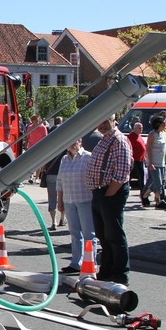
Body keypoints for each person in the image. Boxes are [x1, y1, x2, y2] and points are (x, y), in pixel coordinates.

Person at [85, 114, 133, 284]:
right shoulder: (104, 139)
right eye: (100, 121)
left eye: (106, 121)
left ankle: (120, 274)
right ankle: (107, 271)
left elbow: (121, 173)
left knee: (114, 235)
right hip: (100, 193)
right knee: (103, 236)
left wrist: (108, 195)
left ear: (114, 121)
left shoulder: (118, 141)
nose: (103, 125)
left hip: (110, 193)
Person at [56, 138, 94, 274]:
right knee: (74, 233)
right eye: (70, 141)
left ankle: (90, 262)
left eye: (75, 141)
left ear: (80, 142)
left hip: (85, 199)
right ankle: (76, 262)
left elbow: (94, 179)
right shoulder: (64, 159)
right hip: (69, 200)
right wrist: (59, 201)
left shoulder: (88, 157)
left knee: (89, 233)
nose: (72, 144)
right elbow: (59, 181)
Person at [141, 116, 166, 209]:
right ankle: (158, 201)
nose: (164, 125)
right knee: (157, 182)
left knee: (161, 182)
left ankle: (145, 194)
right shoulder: (152, 134)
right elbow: (148, 149)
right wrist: (150, 162)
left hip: (162, 161)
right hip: (154, 162)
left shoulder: (163, 134)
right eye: (163, 123)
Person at [126, 121, 147, 205]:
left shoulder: (139, 136)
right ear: (134, 128)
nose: (141, 129)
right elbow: (129, 148)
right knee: (138, 179)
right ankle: (143, 196)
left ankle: (142, 195)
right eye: (139, 128)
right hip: (135, 161)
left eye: (142, 128)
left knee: (142, 179)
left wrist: (144, 156)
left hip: (140, 160)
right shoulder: (131, 136)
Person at [42, 152, 64, 229]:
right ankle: (62, 218)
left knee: (52, 198)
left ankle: (54, 222)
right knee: (64, 197)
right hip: (62, 174)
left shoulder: (50, 145)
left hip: (50, 174)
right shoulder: (66, 146)